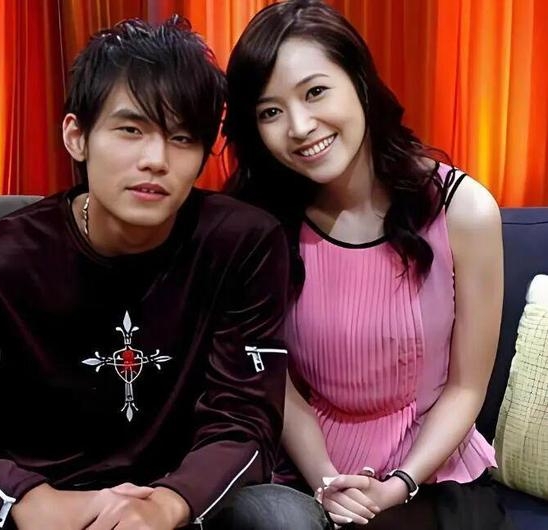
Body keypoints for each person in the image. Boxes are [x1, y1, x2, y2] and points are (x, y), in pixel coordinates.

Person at [0, 16, 292, 530]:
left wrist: (169, 503)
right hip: (35, 497)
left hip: (176, 499)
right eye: (131, 130)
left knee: (281, 514)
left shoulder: (243, 243)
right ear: (77, 136)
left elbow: (247, 419)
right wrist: (30, 501)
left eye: (182, 137)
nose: (156, 160)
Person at [222, 1, 511, 529]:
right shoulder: (259, 224)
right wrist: (329, 482)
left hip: (433, 473)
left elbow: (466, 388)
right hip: (312, 471)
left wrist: (397, 485)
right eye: (270, 112)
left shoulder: (463, 210)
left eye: (315, 92)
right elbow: (277, 381)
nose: (300, 126)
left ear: (359, 81)